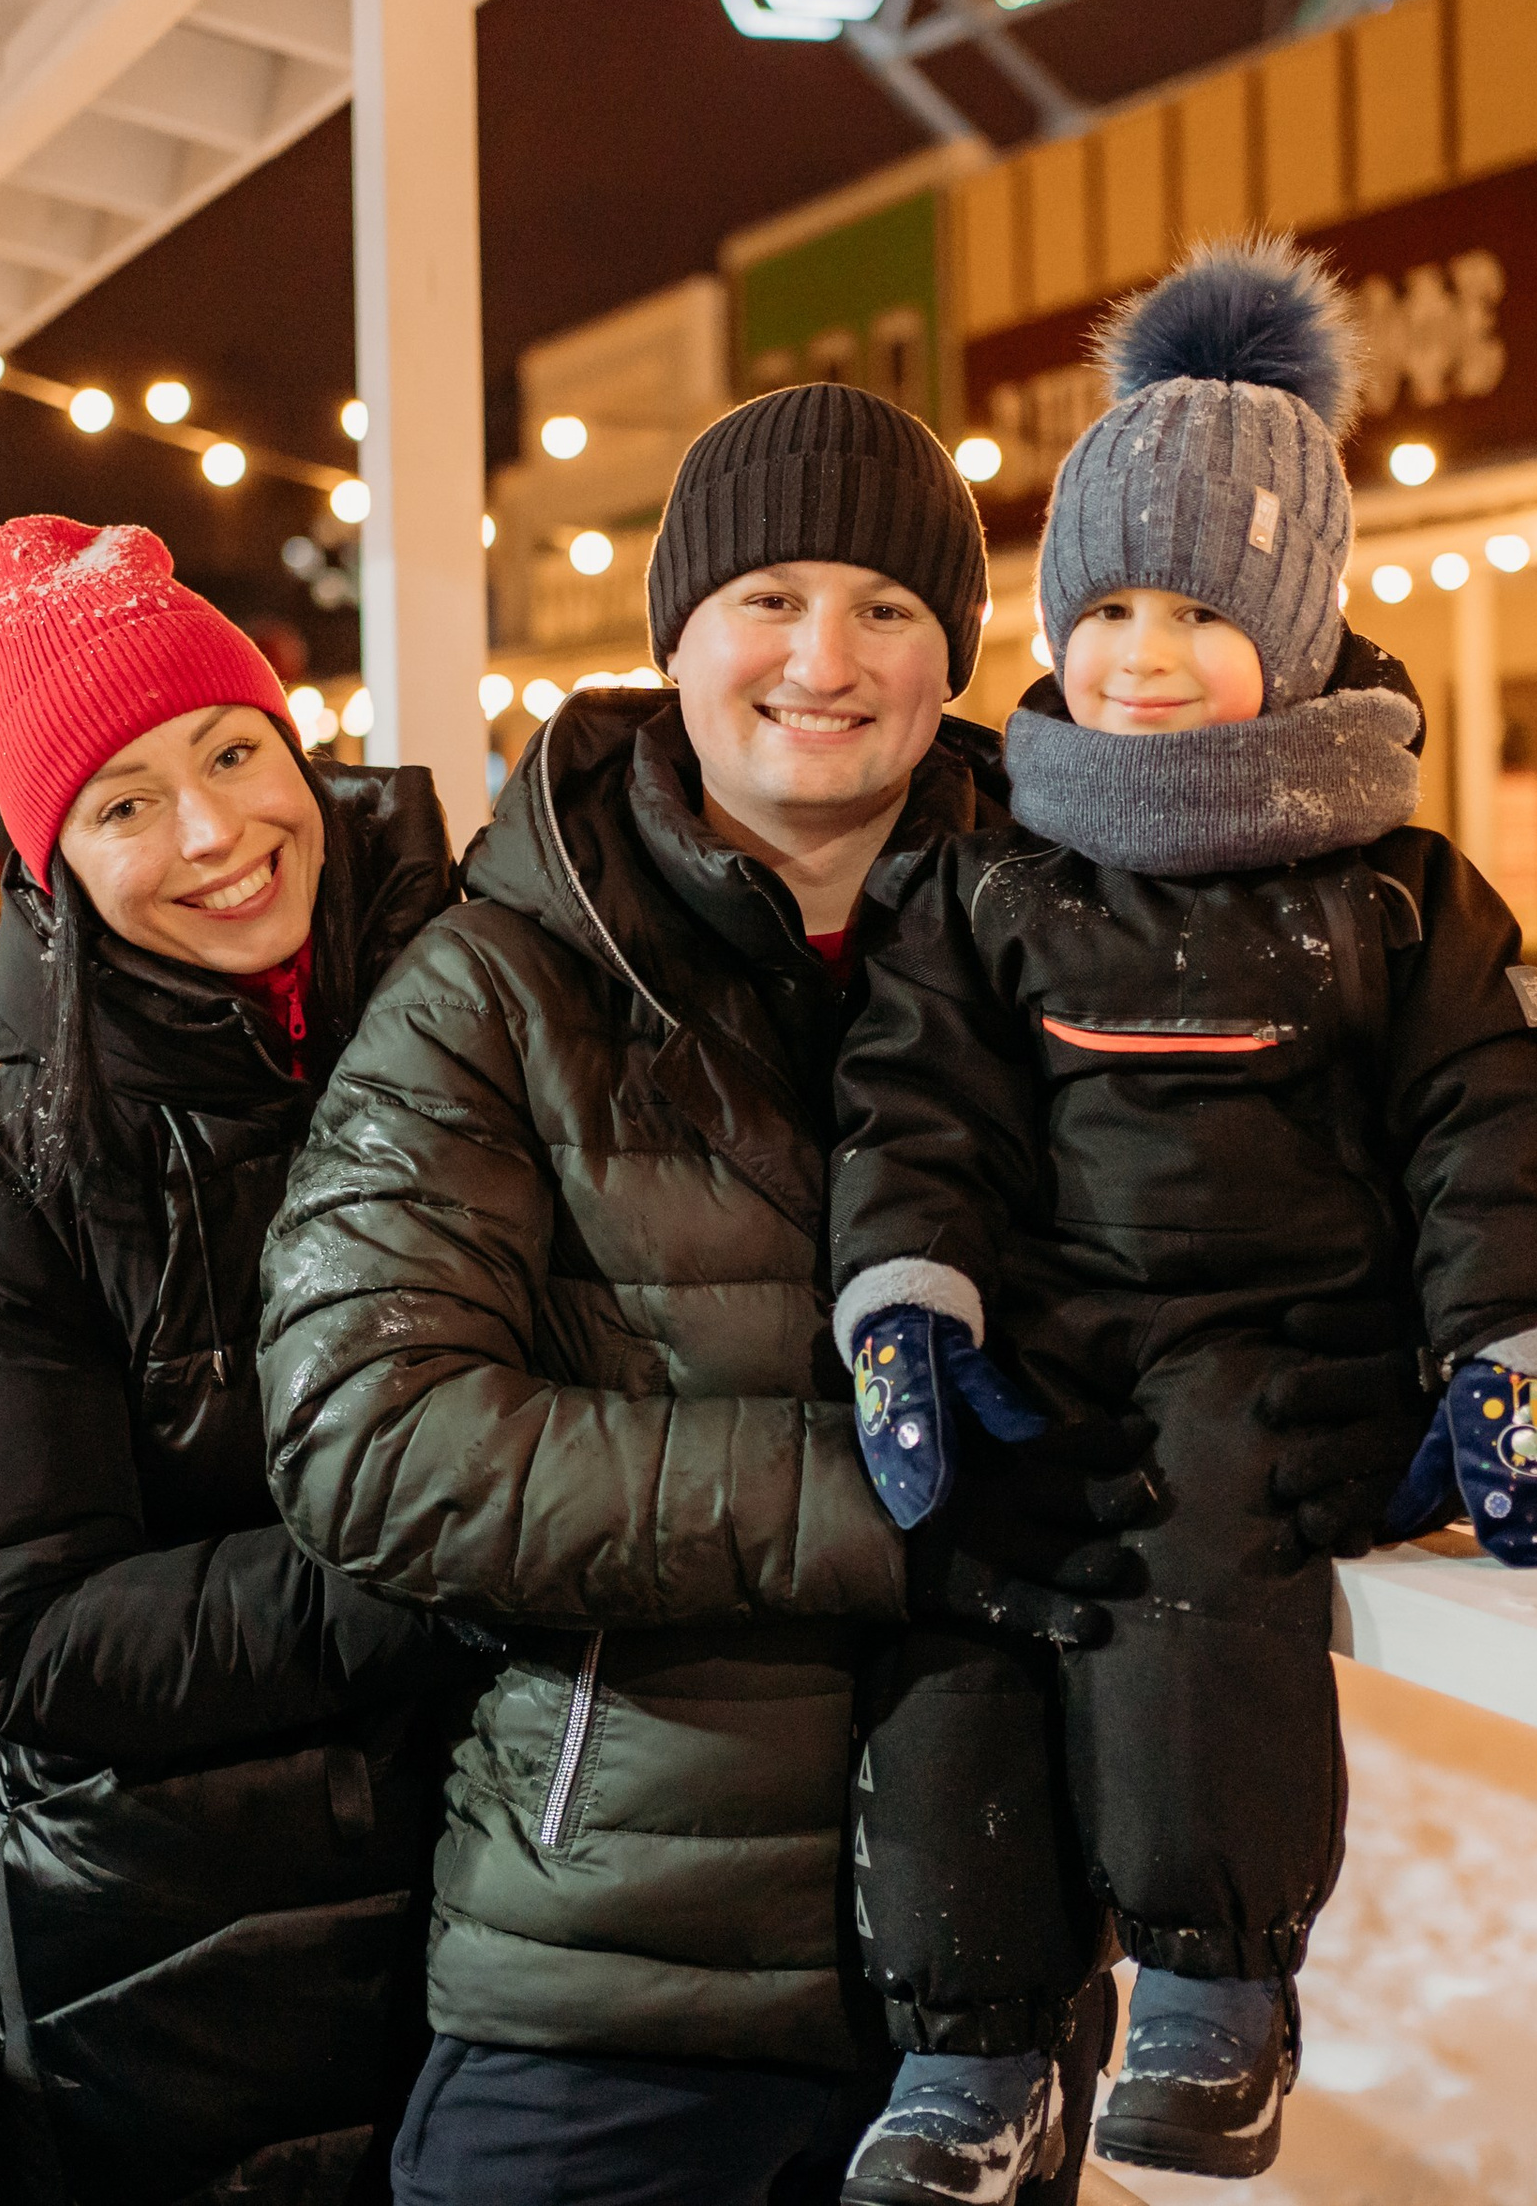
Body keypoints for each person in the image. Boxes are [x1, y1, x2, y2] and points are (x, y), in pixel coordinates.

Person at [254, 385, 1436, 2205]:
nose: (826, 655)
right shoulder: (499, 985)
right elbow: (370, 1436)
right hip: (615, 1982)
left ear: (954, 656)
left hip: (985, 1988)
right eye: (770, 597)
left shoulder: (1099, 938)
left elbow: (1321, 1236)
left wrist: (1344, 1397)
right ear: (680, 636)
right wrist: (885, 1498)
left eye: (889, 607)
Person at [824, 243, 1537, 2199]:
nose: (1142, 651)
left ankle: (1208, 1976)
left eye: (1195, 606)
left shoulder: (1397, 890)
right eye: (1103, 606)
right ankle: (969, 2037)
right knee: (963, 1605)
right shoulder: (989, 882)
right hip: (1049, 1350)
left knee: (1200, 1522)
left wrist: (1509, 1353)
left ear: (1296, 625)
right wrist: (908, 1308)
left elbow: (1488, 1122)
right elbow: (913, 1100)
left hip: (1282, 1364)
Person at [0, 517, 453, 2206]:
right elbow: (28, 1630)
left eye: (234, 751)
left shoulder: (477, 1027)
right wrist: (450, 1574)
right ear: (57, 861)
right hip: (173, 1959)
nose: (217, 832)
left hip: (509, 1895)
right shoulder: (18, 1167)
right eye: (125, 803)